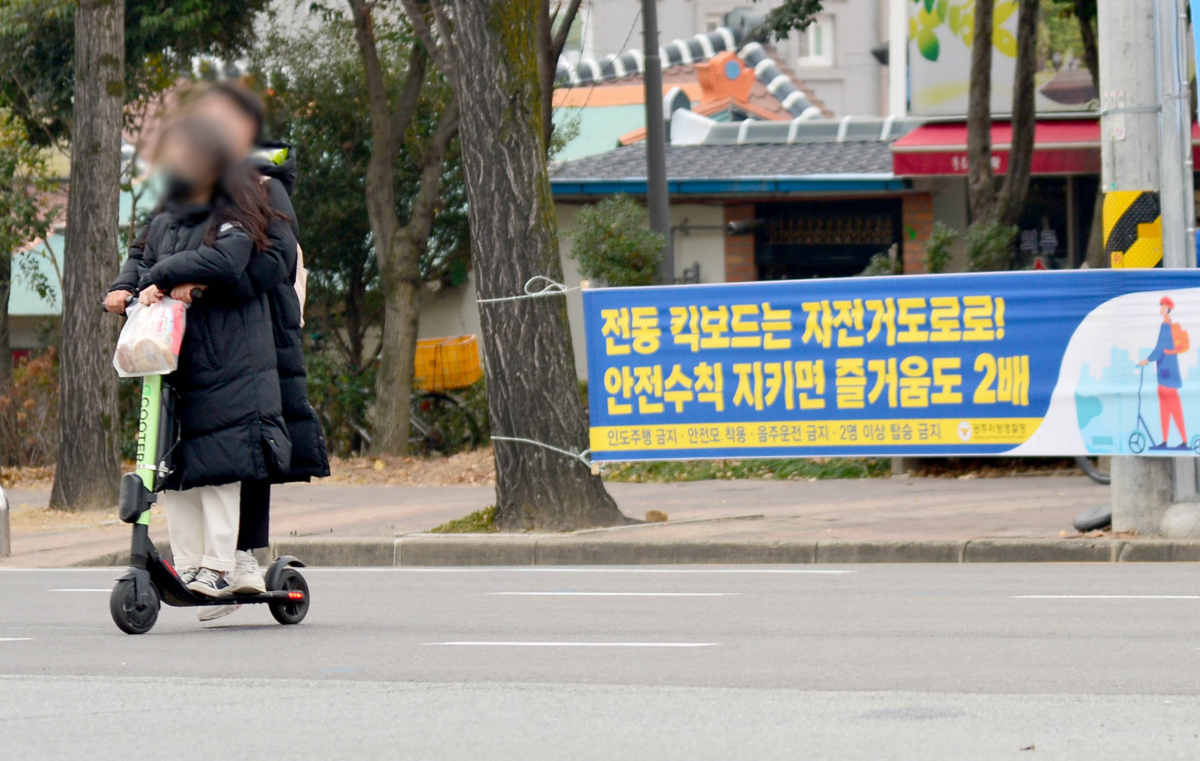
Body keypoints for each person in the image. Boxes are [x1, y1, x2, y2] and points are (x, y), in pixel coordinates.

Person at [105, 116, 293, 596]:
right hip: (180, 351)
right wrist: (129, 286)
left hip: (237, 346)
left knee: (228, 457)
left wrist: (184, 282)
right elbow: (143, 250)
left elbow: (265, 264)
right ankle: (192, 564)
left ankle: (228, 562)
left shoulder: (252, 194)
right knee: (180, 463)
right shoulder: (175, 207)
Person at [187, 81, 330, 594]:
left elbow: (277, 260)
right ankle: (224, 559)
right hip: (223, 332)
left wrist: (220, 284)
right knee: (231, 443)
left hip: (264, 329)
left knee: (255, 444)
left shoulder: (266, 180)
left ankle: (244, 556)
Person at [1137, 295, 1189, 450]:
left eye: (1162, 306)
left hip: (1168, 372)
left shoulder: (1167, 326)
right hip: (1163, 371)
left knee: (1173, 405)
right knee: (1164, 407)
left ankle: (1184, 440)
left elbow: (1160, 348)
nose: (1160, 308)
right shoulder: (1165, 325)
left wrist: (1147, 360)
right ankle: (1165, 440)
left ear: (1167, 308)